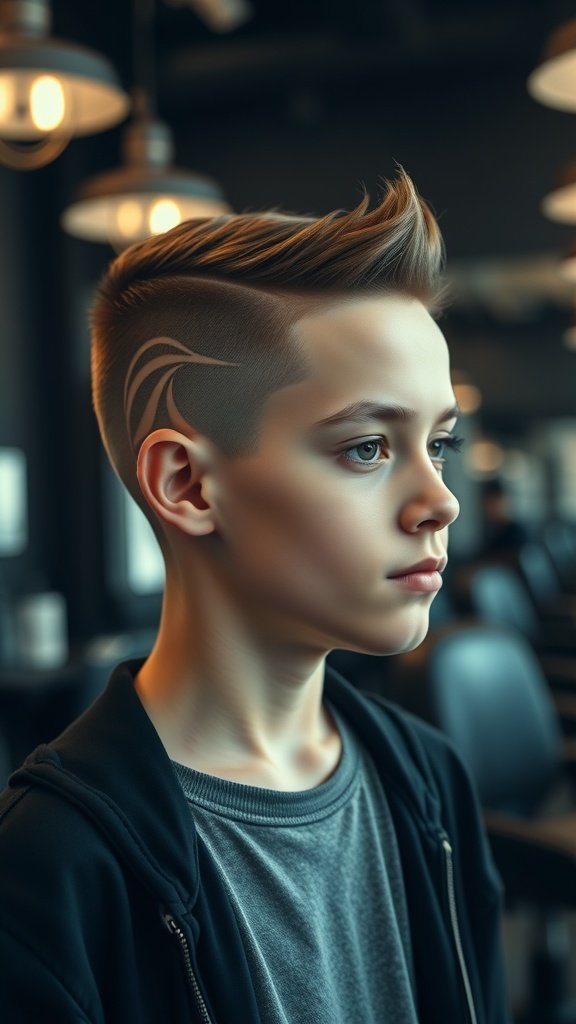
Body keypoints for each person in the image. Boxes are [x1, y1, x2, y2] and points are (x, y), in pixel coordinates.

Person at [0, 172, 510, 1023]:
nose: (441, 501)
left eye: (440, 444)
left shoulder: (429, 781)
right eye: (368, 448)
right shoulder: (48, 873)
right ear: (189, 484)